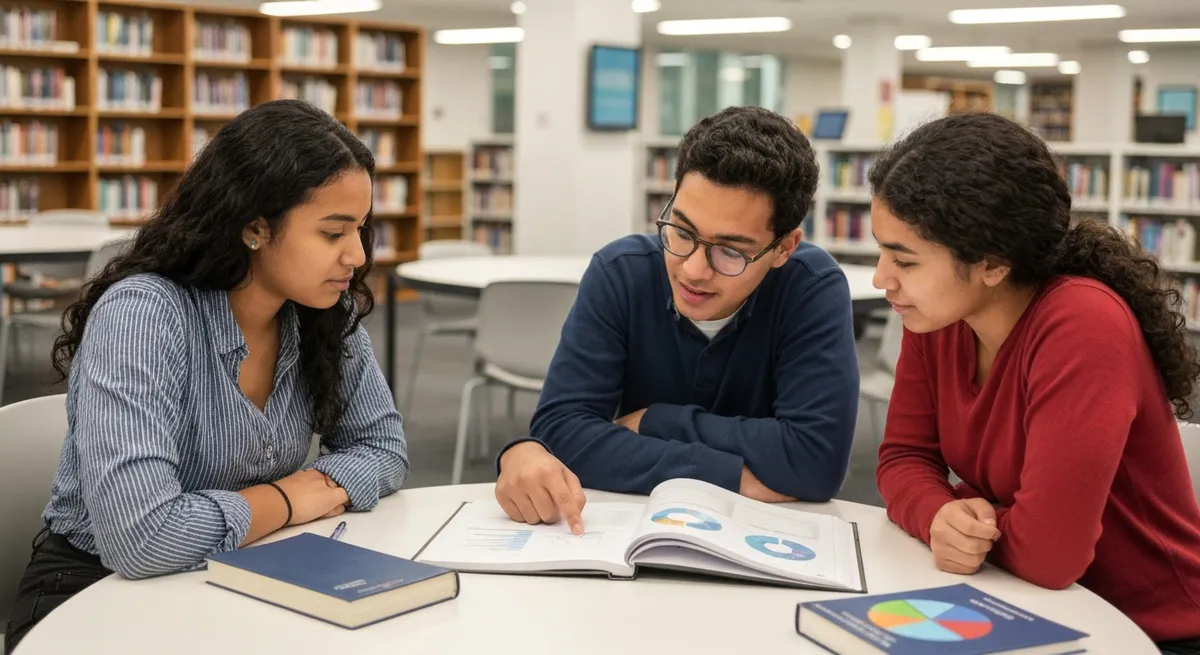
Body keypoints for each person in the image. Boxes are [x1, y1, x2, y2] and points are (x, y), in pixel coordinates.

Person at [3, 99, 409, 652]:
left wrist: (279, 504)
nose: (357, 256)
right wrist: (288, 500)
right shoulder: (144, 316)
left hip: (243, 572)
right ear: (255, 228)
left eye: (360, 229)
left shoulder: (321, 314)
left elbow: (383, 448)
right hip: (92, 594)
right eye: (332, 234)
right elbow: (142, 539)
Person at [871, 112, 1200, 653]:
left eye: (904, 260)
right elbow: (903, 458)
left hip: (1147, 630)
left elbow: (1051, 555)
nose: (884, 278)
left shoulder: (1082, 325)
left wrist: (962, 514)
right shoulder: (935, 315)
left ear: (993, 266)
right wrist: (939, 515)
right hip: (1023, 605)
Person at [493, 106, 860, 534]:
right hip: (628, 537)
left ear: (784, 248)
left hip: (769, 539)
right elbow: (563, 435)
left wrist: (655, 421)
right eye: (682, 232)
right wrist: (728, 476)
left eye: (731, 251)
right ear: (671, 197)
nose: (693, 270)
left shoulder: (812, 288)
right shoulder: (620, 272)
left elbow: (816, 461)